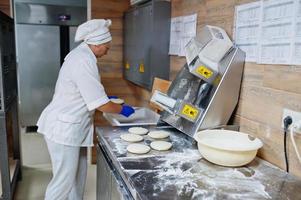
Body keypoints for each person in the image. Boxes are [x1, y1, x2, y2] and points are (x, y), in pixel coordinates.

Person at [36, 19, 135, 200]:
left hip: (74, 127)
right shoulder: (83, 61)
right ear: (96, 44)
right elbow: (100, 105)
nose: (107, 50)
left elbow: (86, 92)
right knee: (63, 182)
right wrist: (121, 109)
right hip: (64, 129)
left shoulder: (82, 55)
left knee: (77, 177)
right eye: (106, 46)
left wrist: (106, 98)